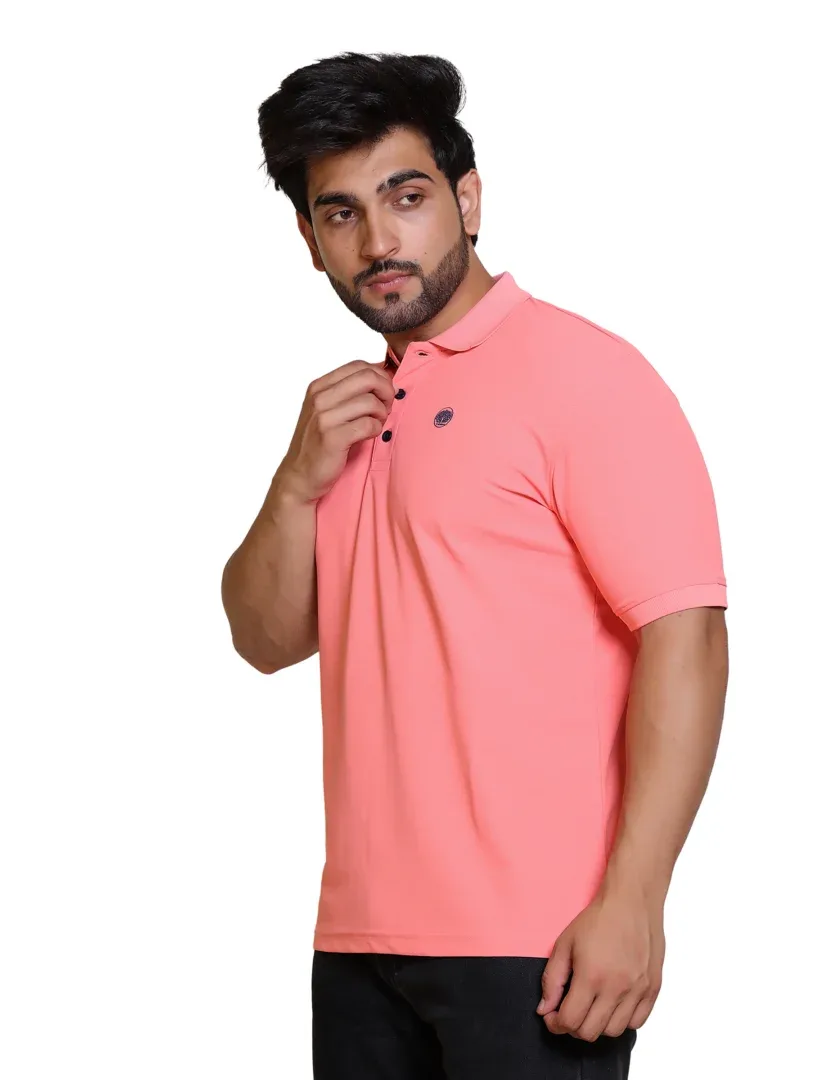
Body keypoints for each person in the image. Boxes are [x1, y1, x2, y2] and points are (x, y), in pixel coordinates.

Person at [221, 50, 729, 1079]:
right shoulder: (347, 413)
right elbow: (264, 640)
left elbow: (689, 634)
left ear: (468, 198)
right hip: (357, 943)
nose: (378, 240)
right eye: (341, 213)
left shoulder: (582, 374)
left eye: (406, 197)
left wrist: (635, 900)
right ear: (310, 240)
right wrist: (295, 482)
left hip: (538, 944)